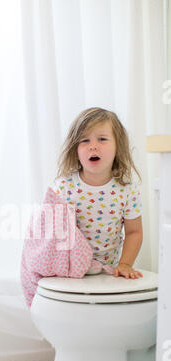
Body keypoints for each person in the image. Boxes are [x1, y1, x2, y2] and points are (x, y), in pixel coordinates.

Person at [52, 107, 143, 279]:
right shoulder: (64, 187)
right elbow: (54, 233)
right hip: (70, 270)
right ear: (75, 149)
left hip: (108, 271)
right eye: (84, 140)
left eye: (102, 139)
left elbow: (134, 232)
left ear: (118, 147)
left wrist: (125, 264)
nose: (93, 146)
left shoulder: (127, 190)